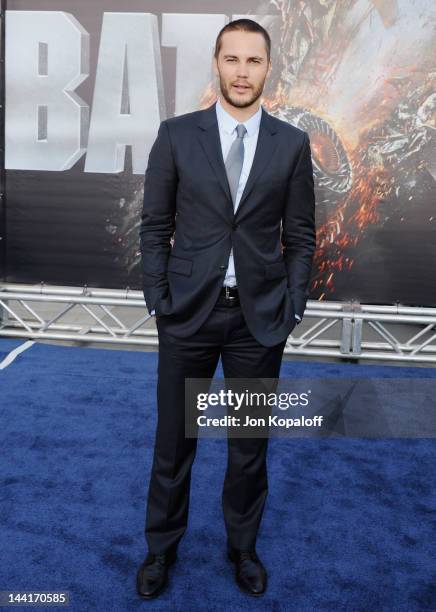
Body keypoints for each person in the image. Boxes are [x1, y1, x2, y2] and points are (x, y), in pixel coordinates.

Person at [136, 18, 316, 599]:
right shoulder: (177, 134)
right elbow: (155, 225)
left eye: (253, 61)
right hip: (187, 315)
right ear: (216, 63)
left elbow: (302, 235)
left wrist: (290, 305)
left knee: (248, 448)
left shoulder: (291, 142)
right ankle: (161, 551)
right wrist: (161, 299)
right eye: (232, 59)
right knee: (174, 444)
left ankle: (242, 549)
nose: (242, 72)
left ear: (269, 68)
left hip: (257, 321)